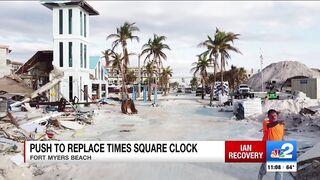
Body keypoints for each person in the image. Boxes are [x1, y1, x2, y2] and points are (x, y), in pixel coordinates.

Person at [258, 109, 285, 180]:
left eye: (275, 115)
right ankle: (259, 178)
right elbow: (270, 125)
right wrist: (277, 122)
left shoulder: (280, 125)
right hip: (268, 147)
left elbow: (281, 136)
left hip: (278, 147)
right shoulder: (266, 122)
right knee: (265, 166)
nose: (274, 117)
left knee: (279, 169)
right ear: (268, 117)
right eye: (271, 116)